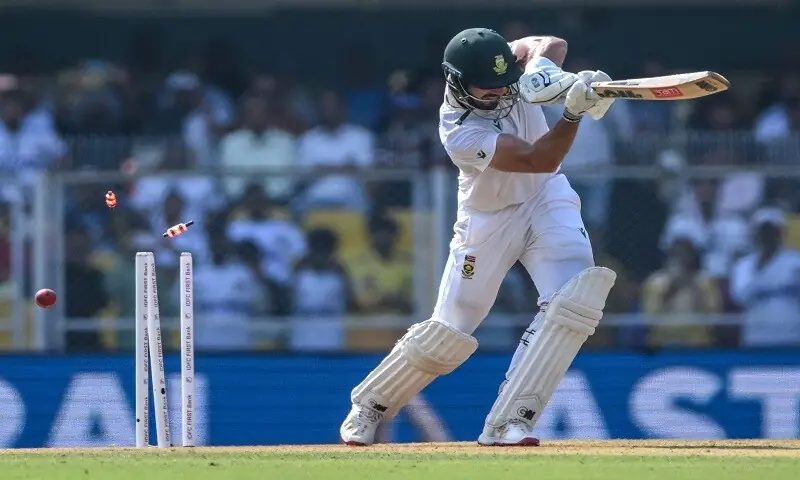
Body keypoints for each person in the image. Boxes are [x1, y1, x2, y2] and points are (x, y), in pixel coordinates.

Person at [340, 27, 618, 446]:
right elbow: (537, 157)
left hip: (547, 199)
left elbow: (551, 43)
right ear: (457, 80)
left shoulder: (504, 67)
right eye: (488, 91)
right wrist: (573, 113)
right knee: (450, 332)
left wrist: (542, 68)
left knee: (575, 302)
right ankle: (370, 405)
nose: (500, 95)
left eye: (504, 86)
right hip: (487, 219)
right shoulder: (458, 129)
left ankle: (511, 421)